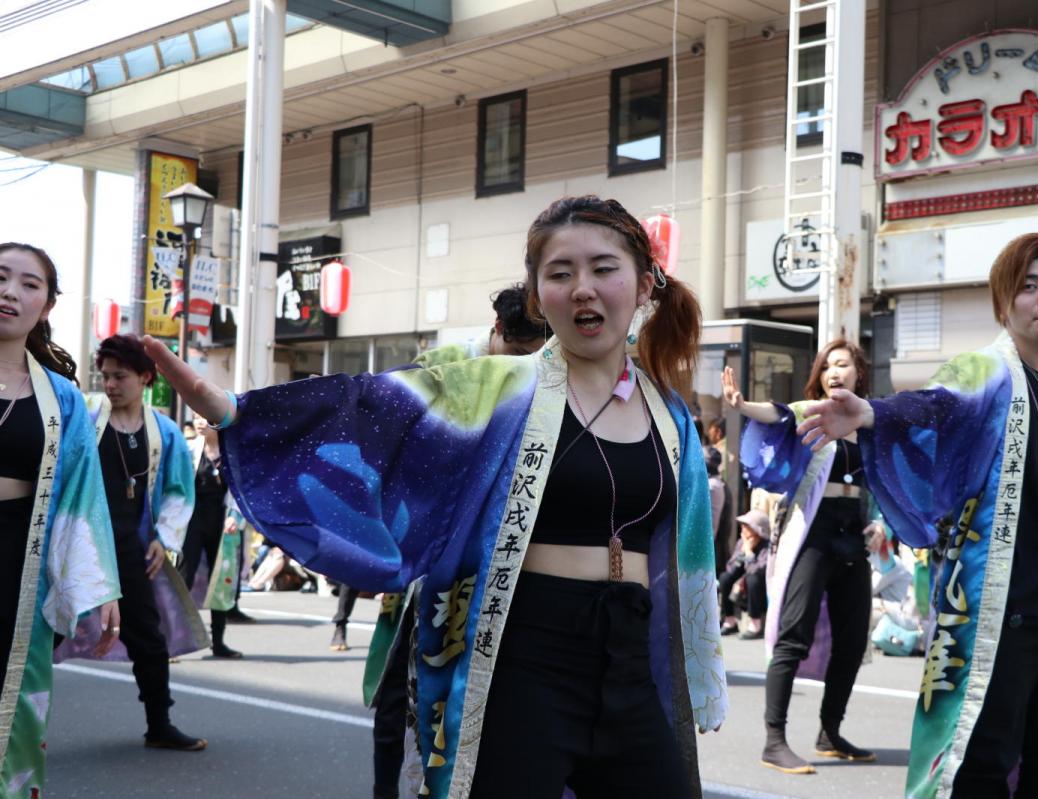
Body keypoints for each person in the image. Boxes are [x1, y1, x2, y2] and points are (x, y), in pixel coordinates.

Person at [146, 195, 727, 799]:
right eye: (560, 273)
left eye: (603, 268)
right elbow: (371, 408)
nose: (582, 287)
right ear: (538, 295)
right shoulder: (497, 389)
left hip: (628, 658)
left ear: (643, 284)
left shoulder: (671, 417)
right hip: (525, 657)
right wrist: (238, 411)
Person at [795, 232, 1038, 798]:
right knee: (975, 760)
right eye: (1029, 286)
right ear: (1004, 302)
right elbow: (937, 406)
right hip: (991, 614)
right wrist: (873, 412)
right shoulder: (983, 372)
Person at [362, 281, 549, 799]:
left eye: (531, 357)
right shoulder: (440, 368)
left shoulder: (547, 378)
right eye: (514, 353)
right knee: (399, 695)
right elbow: (389, 456)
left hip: (498, 561)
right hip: (426, 556)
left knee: (485, 696)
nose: (519, 367)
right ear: (496, 332)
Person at [724, 339, 884, 773]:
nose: (836, 372)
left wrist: (879, 524)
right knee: (794, 635)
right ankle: (774, 740)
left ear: (858, 373)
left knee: (852, 642)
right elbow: (777, 413)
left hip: (855, 533)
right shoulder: (814, 410)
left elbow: (886, 482)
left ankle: (829, 732)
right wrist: (742, 404)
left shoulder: (869, 420)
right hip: (814, 530)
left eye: (844, 365)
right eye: (829, 366)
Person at [0, 243, 121, 797]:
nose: (11, 293)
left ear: (47, 306)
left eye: (29, 285)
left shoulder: (64, 399)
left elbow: (82, 497)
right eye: (2, 278)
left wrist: (100, 585)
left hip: (17, 564)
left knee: (10, 701)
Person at [55, 334, 207, 751]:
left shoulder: (166, 433)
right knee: (46, 627)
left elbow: (179, 490)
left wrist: (164, 539)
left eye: (120, 376)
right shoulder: (85, 419)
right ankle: (15, 715)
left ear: (145, 377)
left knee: (148, 638)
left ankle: (159, 724)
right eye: (104, 376)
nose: (110, 384)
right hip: (79, 542)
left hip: (129, 548)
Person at [181, 416, 243, 658]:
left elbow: (240, 489)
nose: (200, 422)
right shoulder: (188, 449)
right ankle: (172, 638)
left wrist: (234, 517)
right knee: (183, 577)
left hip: (221, 518)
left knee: (220, 581)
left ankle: (218, 641)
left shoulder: (231, 452)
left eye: (205, 417)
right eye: (196, 417)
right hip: (193, 518)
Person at [717, 509, 769, 639]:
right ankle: (730, 620)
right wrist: (743, 553)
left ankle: (755, 624)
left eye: (747, 526)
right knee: (725, 578)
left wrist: (749, 553)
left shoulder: (765, 546)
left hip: (760, 585)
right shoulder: (742, 542)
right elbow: (731, 568)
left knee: (752, 579)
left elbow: (757, 570)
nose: (743, 528)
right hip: (743, 578)